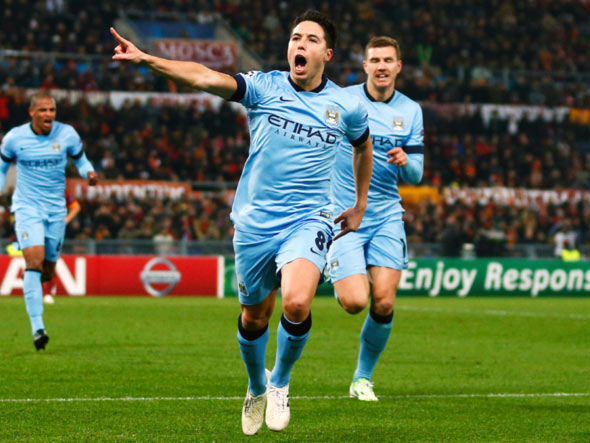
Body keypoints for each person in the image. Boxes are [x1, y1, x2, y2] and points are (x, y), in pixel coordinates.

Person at [110, 9, 373, 434]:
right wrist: (147, 59)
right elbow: (202, 76)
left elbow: (364, 148)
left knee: (296, 302)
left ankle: (281, 382)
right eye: (294, 37)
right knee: (255, 317)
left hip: (309, 218)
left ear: (327, 52)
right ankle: (256, 386)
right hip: (254, 223)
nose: (299, 45)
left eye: (309, 39)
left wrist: (359, 204)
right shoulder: (263, 87)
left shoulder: (347, 105)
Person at [328, 36, 424, 401]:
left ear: (398, 67)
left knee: (383, 302)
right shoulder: (344, 99)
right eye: (374, 60)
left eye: (388, 60)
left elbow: (416, 174)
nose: (381, 66)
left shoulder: (411, 111)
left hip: (386, 215)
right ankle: (327, 264)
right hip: (345, 213)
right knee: (355, 302)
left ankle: (361, 379)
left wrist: (406, 161)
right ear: (364, 66)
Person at [0, 91, 98, 351]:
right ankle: (38, 328)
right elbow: (1, 167)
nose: (48, 114)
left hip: (56, 209)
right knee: (33, 262)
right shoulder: (15, 138)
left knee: (47, 269)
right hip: (27, 207)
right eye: (43, 110)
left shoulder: (67, 134)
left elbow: (81, 160)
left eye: (51, 110)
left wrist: (89, 172)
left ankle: (39, 310)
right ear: (32, 112)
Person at [42, 194, 82, 304]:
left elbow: (76, 207)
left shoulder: (61, 193)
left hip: (55, 230)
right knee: (37, 259)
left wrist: (66, 220)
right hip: (39, 227)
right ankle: (42, 292)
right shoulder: (36, 189)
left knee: (49, 261)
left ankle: (48, 292)